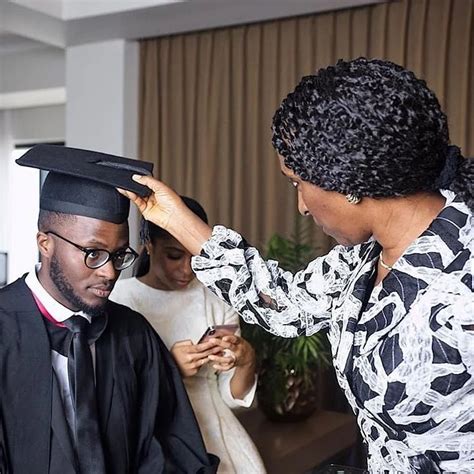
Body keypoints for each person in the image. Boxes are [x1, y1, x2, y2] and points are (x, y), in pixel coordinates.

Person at [118, 58, 473, 473]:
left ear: (348, 181)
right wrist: (177, 219)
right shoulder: (361, 258)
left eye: (297, 183)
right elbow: (285, 304)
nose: (302, 206)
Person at [0, 144, 219, 474]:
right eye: (93, 253)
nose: (109, 272)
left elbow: (172, 446)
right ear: (45, 243)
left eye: (119, 255)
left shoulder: (133, 334)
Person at [110, 197, 266, 474]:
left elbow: (232, 399)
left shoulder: (217, 302)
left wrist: (246, 361)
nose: (186, 269)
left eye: (196, 257)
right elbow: (110, 394)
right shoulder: (120, 301)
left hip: (217, 434)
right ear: (149, 244)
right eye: (174, 256)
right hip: (148, 440)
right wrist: (169, 370)